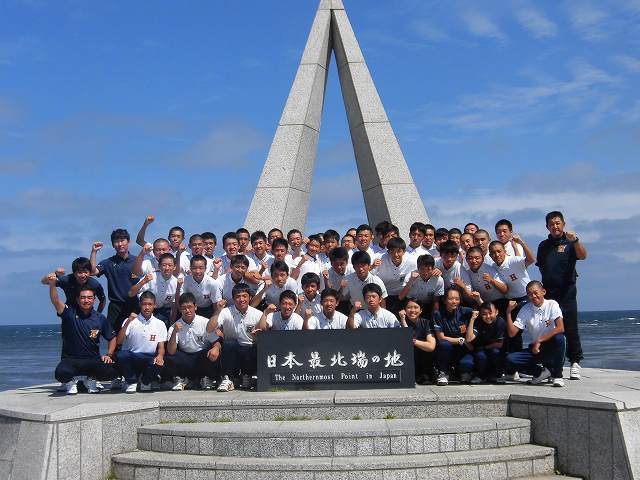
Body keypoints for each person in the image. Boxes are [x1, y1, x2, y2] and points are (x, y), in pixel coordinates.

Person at [536, 211, 587, 380]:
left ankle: (575, 362)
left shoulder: (571, 241)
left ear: (563, 224)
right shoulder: (543, 245)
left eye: (558, 223)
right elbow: (541, 266)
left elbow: (583, 256)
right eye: (551, 224)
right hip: (549, 293)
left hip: (567, 292)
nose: (555, 226)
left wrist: (576, 241)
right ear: (547, 227)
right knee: (549, 328)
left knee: (570, 328)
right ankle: (552, 365)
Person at [47, 276, 117, 395]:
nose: (86, 300)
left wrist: (109, 354)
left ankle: (91, 379)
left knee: (113, 371)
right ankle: (70, 383)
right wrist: (52, 284)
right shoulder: (69, 313)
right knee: (60, 373)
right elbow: (56, 301)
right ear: (77, 299)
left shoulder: (99, 318)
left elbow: (112, 337)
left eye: (89, 298)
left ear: (94, 300)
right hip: (71, 359)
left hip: (92, 359)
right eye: (83, 298)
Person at [505, 281, 566, 387]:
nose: (533, 296)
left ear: (543, 292)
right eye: (529, 294)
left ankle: (558, 376)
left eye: (535, 292)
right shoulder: (525, 309)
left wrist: (539, 340)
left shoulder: (552, 304)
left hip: (551, 346)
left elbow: (560, 328)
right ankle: (541, 372)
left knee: (560, 338)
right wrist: (508, 312)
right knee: (509, 359)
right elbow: (512, 333)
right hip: (536, 349)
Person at [207, 283, 263, 392]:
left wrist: (258, 336)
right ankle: (228, 378)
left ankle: (248, 376)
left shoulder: (258, 314)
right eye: (238, 297)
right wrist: (218, 310)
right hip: (233, 352)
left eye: (244, 296)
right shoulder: (225, 311)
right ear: (233, 299)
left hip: (249, 351)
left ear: (250, 297)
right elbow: (209, 329)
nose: (241, 300)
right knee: (229, 344)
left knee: (257, 348)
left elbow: (264, 335)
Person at [164, 292, 221, 391]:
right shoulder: (174, 326)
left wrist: (216, 348)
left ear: (195, 307)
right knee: (169, 357)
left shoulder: (205, 322)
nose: (187, 310)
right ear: (180, 309)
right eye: (184, 308)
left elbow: (216, 341)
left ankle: (207, 379)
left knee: (215, 352)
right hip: (186, 358)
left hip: (201, 356)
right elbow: (171, 351)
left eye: (190, 307)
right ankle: (184, 380)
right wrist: (174, 332)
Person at [115, 292, 167, 393]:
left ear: (154, 305)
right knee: (121, 355)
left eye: (150, 304)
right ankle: (131, 382)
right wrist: (127, 322)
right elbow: (119, 341)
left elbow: (161, 346)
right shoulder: (130, 321)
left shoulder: (160, 324)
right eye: (144, 304)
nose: (147, 307)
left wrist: (160, 356)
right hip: (133, 357)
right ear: (140, 304)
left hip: (148, 358)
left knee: (160, 363)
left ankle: (145, 382)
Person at [90, 229, 138, 332]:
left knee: (136, 336)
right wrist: (94, 252)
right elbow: (93, 272)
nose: (120, 244)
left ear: (128, 242)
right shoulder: (108, 263)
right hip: (116, 307)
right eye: (116, 241)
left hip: (135, 305)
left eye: (122, 240)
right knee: (112, 337)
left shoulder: (138, 261)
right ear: (113, 245)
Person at [433, 287, 475, 385]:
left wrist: (478, 299)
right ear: (444, 300)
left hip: (462, 349)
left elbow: (485, 310)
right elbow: (441, 337)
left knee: (467, 364)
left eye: (457, 299)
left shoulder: (464, 311)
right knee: (444, 344)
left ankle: (462, 372)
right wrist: (462, 340)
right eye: (451, 299)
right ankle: (443, 373)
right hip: (447, 349)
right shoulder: (438, 314)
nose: (454, 301)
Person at [128, 253, 179, 326]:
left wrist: (172, 323)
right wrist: (143, 282)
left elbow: (174, 306)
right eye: (164, 265)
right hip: (144, 309)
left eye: (170, 265)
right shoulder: (150, 277)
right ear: (159, 266)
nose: (167, 268)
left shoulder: (176, 283)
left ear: (174, 267)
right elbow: (130, 294)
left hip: (162, 311)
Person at [41, 257, 106, 313]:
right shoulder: (67, 280)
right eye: (80, 272)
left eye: (86, 272)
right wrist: (55, 274)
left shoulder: (94, 284)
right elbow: (44, 281)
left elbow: (102, 300)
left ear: (90, 273)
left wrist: (98, 314)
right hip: (70, 313)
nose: (83, 275)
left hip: (87, 314)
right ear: (74, 273)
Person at [465, 301, 506, 384]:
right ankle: (480, 376)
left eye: (490, 313)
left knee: (496, 353)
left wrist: (485, 347)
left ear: (496, 312)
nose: (488, 316)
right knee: (480, 356)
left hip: (493, 348)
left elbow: (499, 344)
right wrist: (472, 319)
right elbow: (469, 339)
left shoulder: (500, 322)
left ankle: (497, 375)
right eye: (484, 314)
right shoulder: (478, 322)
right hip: (480, 349)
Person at [374, 237, 416, 315]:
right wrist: (372, 266)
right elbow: (370, 275)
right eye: (392, 251)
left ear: (404, 252)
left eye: (399, 251)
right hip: (384, 295)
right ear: (388, 251)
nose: (395, 255)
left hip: (403, 295)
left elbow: (422, 269)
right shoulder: (380, 259)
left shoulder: (411, 260)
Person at [398, 298, 436, 384]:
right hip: (406, 361)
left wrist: (413, 341)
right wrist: (403, 320)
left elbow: (431, 346)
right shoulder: (398, 323)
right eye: (409, 307)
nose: (412, 310)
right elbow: (405, 338)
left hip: (423, 360)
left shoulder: (427, 323)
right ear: (404, 310)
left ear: (421, 310)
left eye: (416, 307)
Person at [398, 254, 444, 318]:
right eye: (422, 269)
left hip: (427, 305)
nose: (425, 272)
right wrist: (411, 280)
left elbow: (436, 301)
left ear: (433, 268)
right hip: (411, 305)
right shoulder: (410, 276)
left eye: (428, 269)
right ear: (417, 267)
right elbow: (401, 297)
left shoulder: (438, 279)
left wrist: (434, 318)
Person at [180, 254, 221, 318]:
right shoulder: (185, 280)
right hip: (191, 309)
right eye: (194, 268)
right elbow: (182, 300)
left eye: (201, 268)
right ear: (190, 268)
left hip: (208, 309)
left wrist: (215, 318)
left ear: (205, 269)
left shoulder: (212, 283)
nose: (197, 271)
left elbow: (215, 304)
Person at [323, 246, 354, 315]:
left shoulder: (353, 270)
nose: (339, 267)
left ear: (347, 262)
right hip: (337, 302)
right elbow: (330, 295)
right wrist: (326, 280)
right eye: (336, 264)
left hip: (352, 302)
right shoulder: (328, 274)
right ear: (331, 263)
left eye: (342, 264)